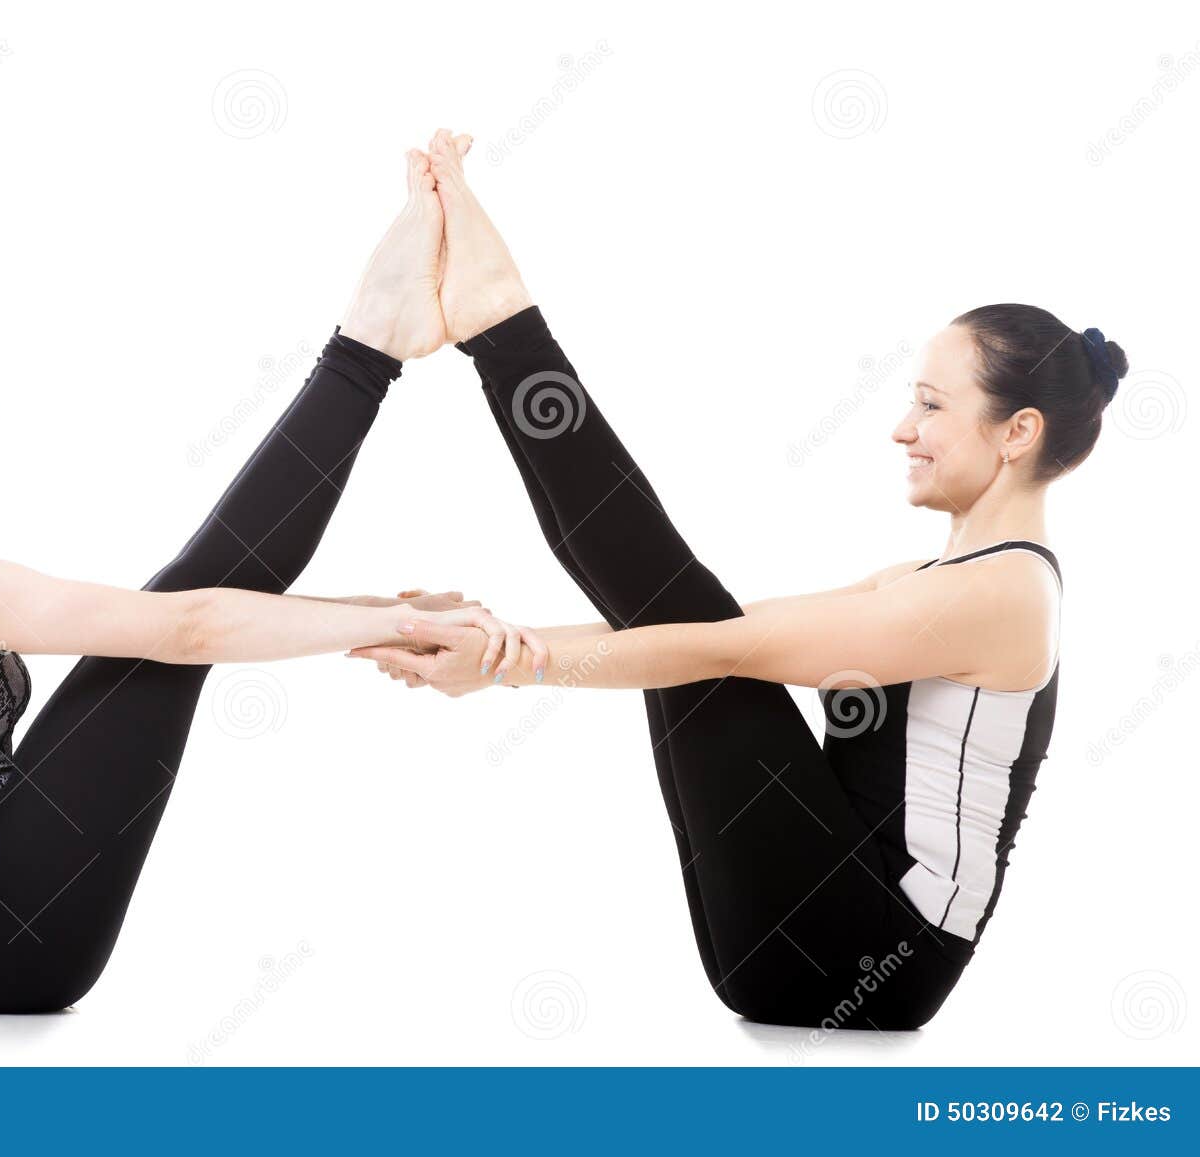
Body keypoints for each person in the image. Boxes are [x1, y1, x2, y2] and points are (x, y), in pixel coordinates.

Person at [353, 130, 1128, 1029]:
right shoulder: (929, 578)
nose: (901, 428)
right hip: (807, 946)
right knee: (680, 622)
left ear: (1018, 432)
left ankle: (501, 326)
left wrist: (507, 664)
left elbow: (726, 643)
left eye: (931, 403)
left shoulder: (1007, 595)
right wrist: (499, 640)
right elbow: (714, 630)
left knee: (689, 626)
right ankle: (500, 328)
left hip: (872, 955)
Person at [0, 146, 542, 1014]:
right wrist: (391, 621)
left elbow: (183, 623)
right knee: (181, 605)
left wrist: (378, 613)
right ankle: (367, 347)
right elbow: (187, 627)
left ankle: (369, 345)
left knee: (177, 605)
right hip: (2, 947)